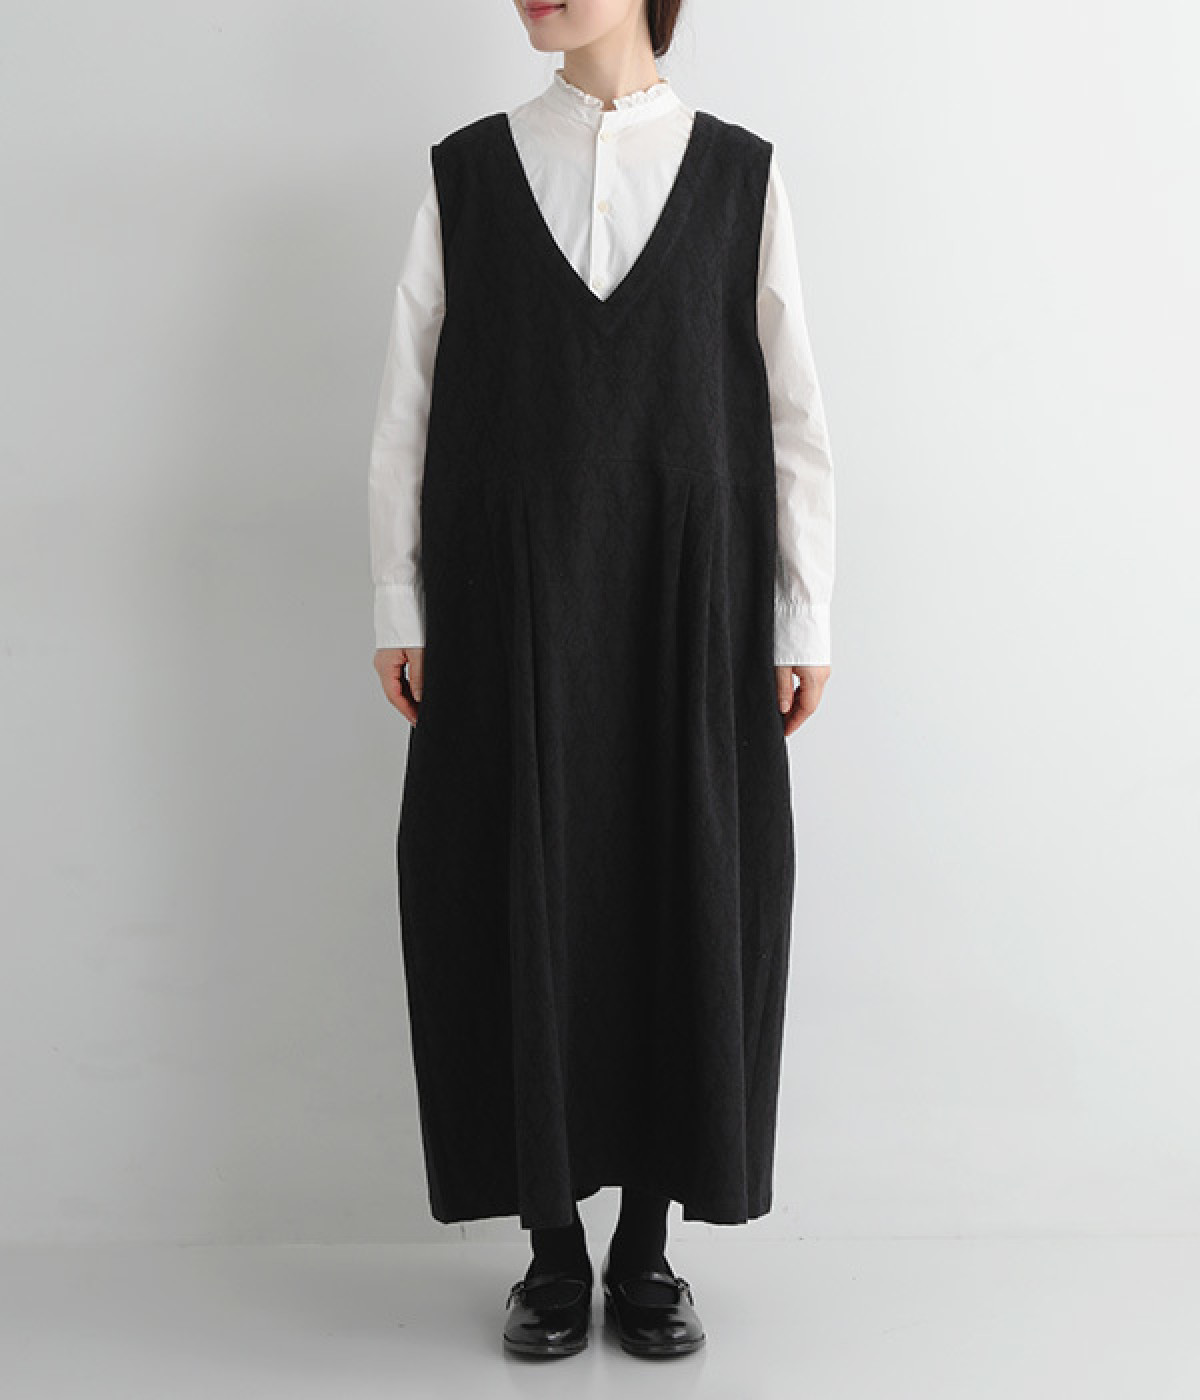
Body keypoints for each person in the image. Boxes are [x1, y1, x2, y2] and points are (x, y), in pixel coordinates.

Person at [367, 0, 835, 1361]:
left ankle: (647, 1245)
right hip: (510, 605)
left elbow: (795, 407)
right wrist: (400, 596)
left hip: (691, 607)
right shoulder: (468, 173)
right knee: (519, 886)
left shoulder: (739, 174)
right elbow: (406, 399)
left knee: (681, 886)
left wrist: (802, 612)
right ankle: (551, 1247)